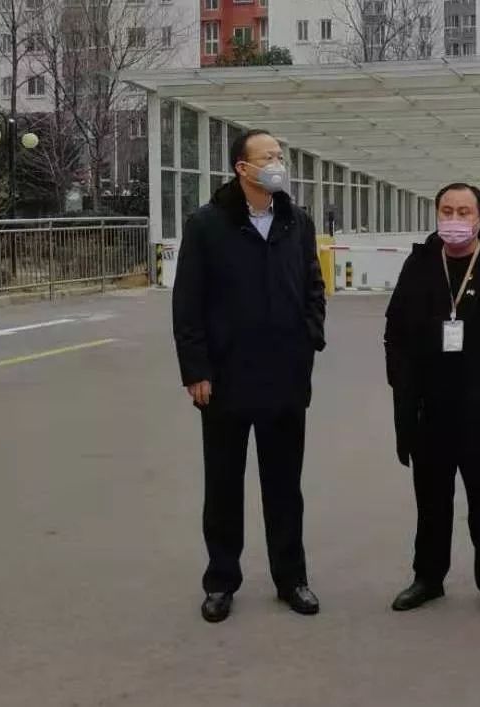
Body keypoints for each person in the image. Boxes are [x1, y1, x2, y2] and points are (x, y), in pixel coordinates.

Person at [172, 129, 326, 623]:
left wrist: (310, 337)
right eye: (269, 156)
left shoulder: (296, 221)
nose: (278, 163)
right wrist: (196, 369)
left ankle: (291, 578)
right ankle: (221, 580)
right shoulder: (207, 224)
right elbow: (188, 302)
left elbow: (313, 285)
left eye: (281, 155)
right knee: (223, 485)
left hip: (285, 375)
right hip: (225, 378)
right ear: (243, 167)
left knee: (285, 486)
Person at [384, 183, 480, 621]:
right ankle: (428, 577)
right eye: (447, 210)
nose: (454, 219)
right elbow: (395, 329)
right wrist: (402, 383)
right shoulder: (420, 264)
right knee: (431, 502)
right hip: (429, 408)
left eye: (464, 212)